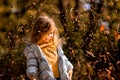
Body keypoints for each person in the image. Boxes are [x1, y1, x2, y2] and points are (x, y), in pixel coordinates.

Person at [23, 16, 73, 80]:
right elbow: (32, 63)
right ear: (40, 32)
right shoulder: (33, 49)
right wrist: (32, 74)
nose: (51, 36)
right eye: (48, 33)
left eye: (52, 33)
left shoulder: (55, 45)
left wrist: (69, 68)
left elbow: (62, 58)